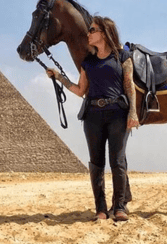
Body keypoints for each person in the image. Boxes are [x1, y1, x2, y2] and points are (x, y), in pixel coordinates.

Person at [47, 16, 139, 221]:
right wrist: (58, 77)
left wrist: (133, 112)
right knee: (96, 163)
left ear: (104, 33)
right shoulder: (87, 62)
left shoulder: (123, 57)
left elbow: (129, 86)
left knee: (118, 161)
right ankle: (100, 209)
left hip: (118, 113)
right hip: (93, 117)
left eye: (92, 29)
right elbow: (80, 90)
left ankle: (120, 207)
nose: (88, 33)